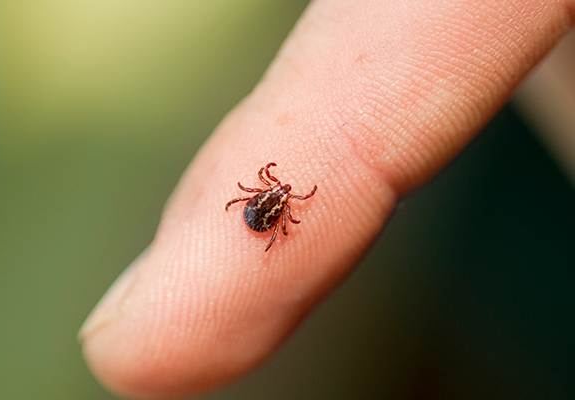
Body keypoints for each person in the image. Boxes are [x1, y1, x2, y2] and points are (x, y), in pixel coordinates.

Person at [78, 0, 575, 398]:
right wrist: (271, 224)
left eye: (277, 193)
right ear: (271, 190)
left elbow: (258, 207)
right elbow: (271, 218)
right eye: (276, 191)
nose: (279, 195)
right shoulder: (277, 206)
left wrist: (262, 217)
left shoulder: (268, 200)